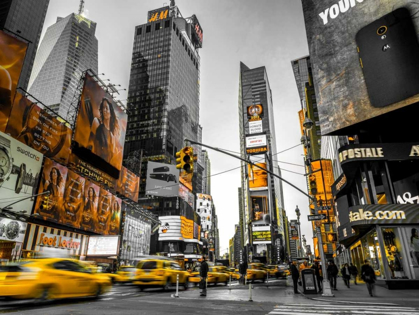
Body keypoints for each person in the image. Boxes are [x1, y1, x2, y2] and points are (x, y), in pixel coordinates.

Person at [88, 98, 120, 165]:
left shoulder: (111, 135)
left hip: (103, 169)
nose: (104, 110)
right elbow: (89, 143)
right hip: (92, 162)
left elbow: (111, 157)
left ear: (111, 113)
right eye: (103, 108)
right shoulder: (96, 123)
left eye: (106, 108)